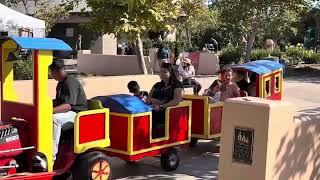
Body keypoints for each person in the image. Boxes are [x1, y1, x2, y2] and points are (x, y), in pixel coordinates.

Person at [50, 59, 88, 161]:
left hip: (77, 114)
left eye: (51, 73)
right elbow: (59, 101)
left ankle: (51, 155)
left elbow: (68, 106)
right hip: (69, 112)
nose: (51, 75)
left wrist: (50, 111)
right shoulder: (60, 84)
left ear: (57, 71)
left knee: (55, 119)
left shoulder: (70, 82)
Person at [146, 63, 183, 138]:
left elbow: (176, 100)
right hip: (153, 109)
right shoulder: (157, 85)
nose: (162, 74)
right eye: (161, 71)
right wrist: (152, 99)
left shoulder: (177, 85)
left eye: (165, 72)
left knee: (151, 117)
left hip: (167, 112)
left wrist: (162, 106)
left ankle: (153, 139)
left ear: (170, 73)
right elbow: (147, 99)